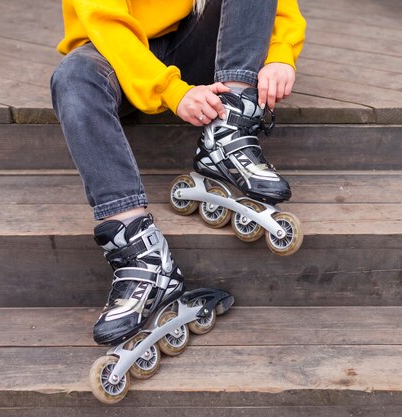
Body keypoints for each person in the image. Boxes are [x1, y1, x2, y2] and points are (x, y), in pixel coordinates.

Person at [50, 0, 306, 346]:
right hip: (119, 53)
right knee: (72, 76)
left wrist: (279, 52)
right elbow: (107, 25)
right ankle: (142, 254)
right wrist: (171, 91)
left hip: (197, 43)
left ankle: (228, 132)